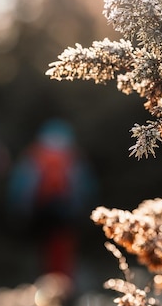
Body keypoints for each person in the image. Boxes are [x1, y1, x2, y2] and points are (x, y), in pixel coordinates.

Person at [7, 119, 96, 286]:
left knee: (41, 253)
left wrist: (19, 211)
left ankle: (40, 290)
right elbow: (86, 187)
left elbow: (20, 187)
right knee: (63, 252)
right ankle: (64, 288)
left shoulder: (34, 157)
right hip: (66, 215)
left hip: (39, 213)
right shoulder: (73, 158)